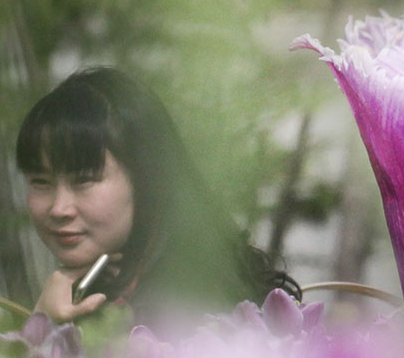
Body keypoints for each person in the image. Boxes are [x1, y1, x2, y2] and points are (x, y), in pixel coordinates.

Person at [15, 66, 296, 324]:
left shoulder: (185, 307)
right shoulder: (116, 278)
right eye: (40, 182)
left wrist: (44, 330)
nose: (59, 208)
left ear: (146, 179)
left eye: (84, 180)